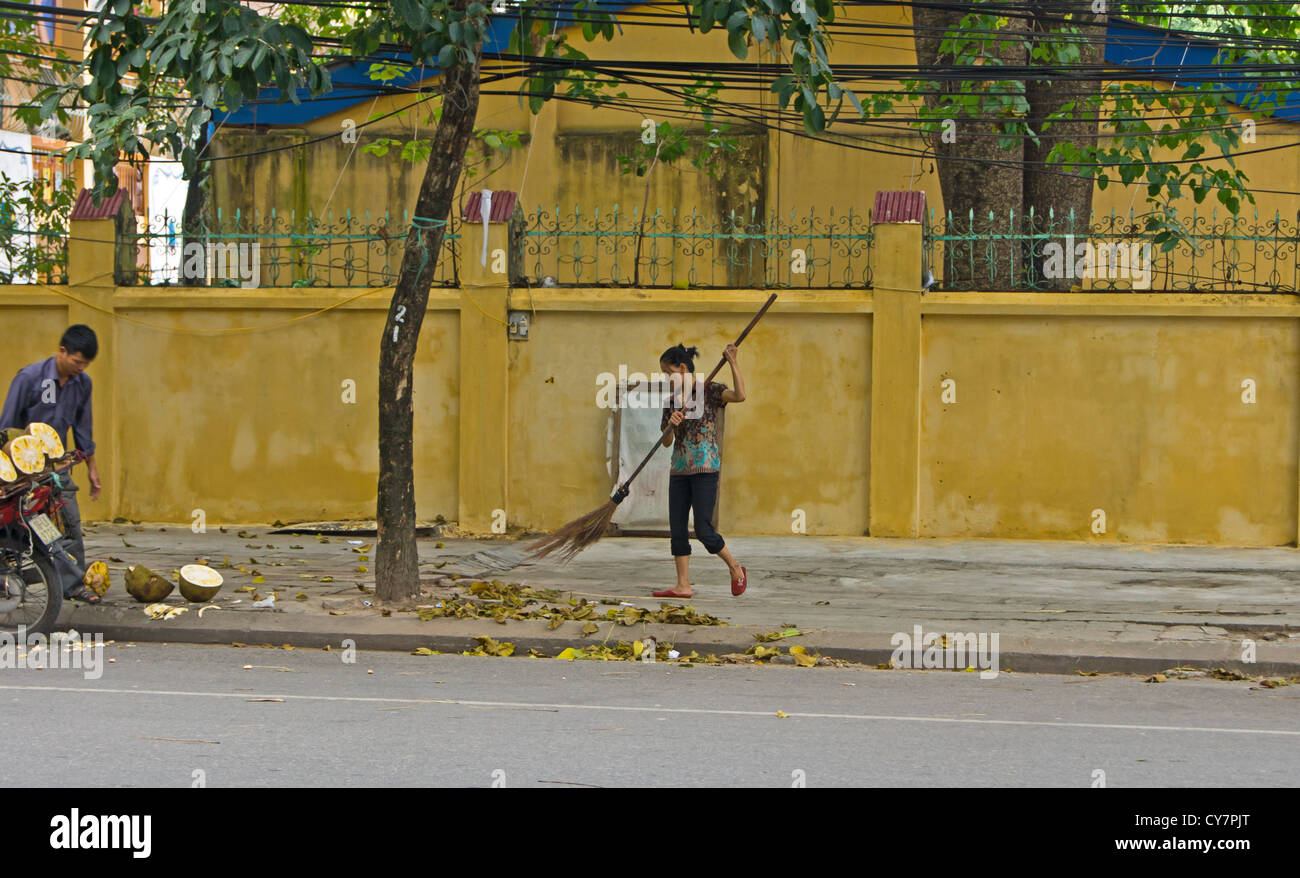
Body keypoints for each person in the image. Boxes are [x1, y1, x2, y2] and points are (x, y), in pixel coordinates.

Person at [1, 324, 101, 604]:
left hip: (57, 470)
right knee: (18, 527)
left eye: (86, 364)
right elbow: (7, 425)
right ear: (62, 351)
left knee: (69, 524)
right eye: (77, 361)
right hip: (23, 470)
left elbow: (83, 429)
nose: (81, 368)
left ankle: (72, 585)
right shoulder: (29, 378)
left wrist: (92, 469)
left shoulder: (83, 384)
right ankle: (10, 579)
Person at [653, 341, 747, 598]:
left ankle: (735, 566)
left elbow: (740, 396)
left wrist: (733, 362)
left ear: (682, 368)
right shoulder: (671, 401)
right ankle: (683, 585)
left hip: (705, 469)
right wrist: (670, 425)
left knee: (704, 529)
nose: (666, 379)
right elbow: (666, 443)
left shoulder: (710, 390)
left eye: (667, 373)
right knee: (678, 529)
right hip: (679, 471)